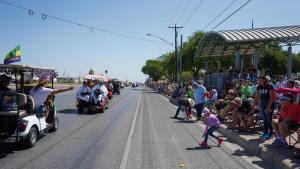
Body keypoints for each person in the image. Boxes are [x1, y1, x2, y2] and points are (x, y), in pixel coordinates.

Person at [255, 75, 275, 139]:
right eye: (258, 80)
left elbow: (272, 98)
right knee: (264, 119)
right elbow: (257, 95)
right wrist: (255, 103)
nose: (259, 81)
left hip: (269, 102)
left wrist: (268, 107)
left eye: (260, 80)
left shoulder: (270, 86)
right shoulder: (259, 86)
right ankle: (265, 132)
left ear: (264, 80)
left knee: (269, 119)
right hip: (262, 103)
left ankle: (270, 133)